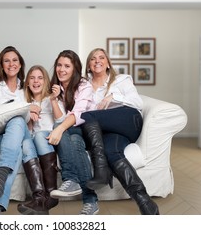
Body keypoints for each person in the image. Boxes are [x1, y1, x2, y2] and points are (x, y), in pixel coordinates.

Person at [80, 48, 159, 215]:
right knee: (111, 151)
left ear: (108, 63)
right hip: (109, 130)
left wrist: (113, 97)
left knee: (88, 116)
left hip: (129, 120)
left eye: (102, 57)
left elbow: (137, 103)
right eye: (93, 59)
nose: (97, 61)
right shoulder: (83, 85)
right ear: (88, 66)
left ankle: (101, 170)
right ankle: (145, 202)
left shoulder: (121, 80)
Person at [0, 45, 37, 215]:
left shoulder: (26, 88)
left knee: (18, 125)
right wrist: (25, 108)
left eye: (15, 60)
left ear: (20, 64)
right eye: (6, 61)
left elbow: (32, 116)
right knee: (17, 123)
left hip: (21, 133)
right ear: (1, 65)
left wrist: (25, 111)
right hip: (1, 133)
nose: (11, 64)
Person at [47, 50, 99, 215]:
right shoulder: (57, 87)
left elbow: (78, 114)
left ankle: (70, 178)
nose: (61, 69)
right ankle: (90, 201)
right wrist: (54, 99)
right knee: (74, 140)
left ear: (75, 69)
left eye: (67, 66)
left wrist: (60, 128)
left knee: (66, 130)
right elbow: (60, 118)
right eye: (59, 65)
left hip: (89, 129)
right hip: (73, 133)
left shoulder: (85, 86)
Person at [17, 65, 65, 215]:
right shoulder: (24, 102)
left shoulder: (51, 98)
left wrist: (53, 101)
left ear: (45, 81)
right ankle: (39, 198)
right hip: (32, 142)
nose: (36, 81)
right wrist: (29, 118)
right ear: (27, 82)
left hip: (49, 142)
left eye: (40, 78)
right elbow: (26, 132)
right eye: (32, 78)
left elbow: (61, 121)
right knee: (25, 142)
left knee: (39, 136)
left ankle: (51, 192)